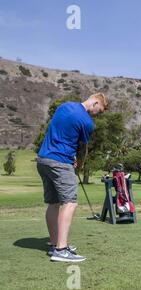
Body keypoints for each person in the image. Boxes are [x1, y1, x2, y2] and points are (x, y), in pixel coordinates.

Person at [37, 93, 108, 262]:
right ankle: (61, 250)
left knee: (53, 203)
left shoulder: (64, 106)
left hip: (43, 160)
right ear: (96, 101)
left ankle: (55, 244)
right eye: (100, 110)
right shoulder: (87, 122)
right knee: (70, 203)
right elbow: (81, 148)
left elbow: (62, 134)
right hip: (60, 163)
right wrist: (77, 163)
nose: (98, 114)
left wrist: (71, 156)